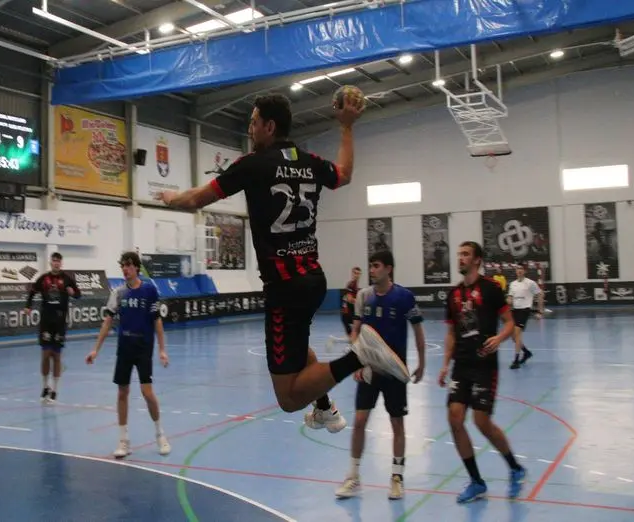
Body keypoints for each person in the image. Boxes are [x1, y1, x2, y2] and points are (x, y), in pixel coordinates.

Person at [156, 91, 410, 426]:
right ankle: (324, 408)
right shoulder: (310, 162)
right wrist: (346, 126)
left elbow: (197, 199)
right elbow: (345, 173)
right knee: (299, 349)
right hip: (312, 280)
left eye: (253, 122)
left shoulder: (251, 165)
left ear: (269, 126)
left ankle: (358, 357)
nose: (250, 129)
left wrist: (172, 197)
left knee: (288, 398)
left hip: (284, 287)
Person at [439, 241, 526, 503]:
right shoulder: (453, 294)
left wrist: (499, 339)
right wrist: (445, 364)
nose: (461, 258)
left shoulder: (491, 289)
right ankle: (477, 482)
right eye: (459, 254)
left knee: (481, 421)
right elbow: (452, 332)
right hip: (461, 365)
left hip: (485, 366)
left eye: (465, 254)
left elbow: (510, 322)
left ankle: (514, 468)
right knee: (454, 419)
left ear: (477, 260)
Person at [335, 251, 425, 500]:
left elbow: (418, 331)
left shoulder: (404, 297)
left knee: (397, 423)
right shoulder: (364, 296)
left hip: (395, 372)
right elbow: (355, 332)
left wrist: (422, 363)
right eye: (370, 266)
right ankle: (353, 476)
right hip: (369, 371)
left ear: (389, 269)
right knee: (360, 422)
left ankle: (397, 477)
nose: (371, 270)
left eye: (375, 266)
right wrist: (357, 363)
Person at [85, 252, 171, 458]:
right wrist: (96, 349)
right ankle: (124, 441)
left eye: (129, 265)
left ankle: (160, 434)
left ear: (137, 268)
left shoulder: (149, 290)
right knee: (122, 392)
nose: (125, 269)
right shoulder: (118, 293)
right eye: (123, 265)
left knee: (147, 392)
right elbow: (107, 322)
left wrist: (162, 349)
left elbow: (157, 320)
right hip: (124, 348)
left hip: (143, 347)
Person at [25, 252, 81, 403]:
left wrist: (73, 293)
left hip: (60, 321)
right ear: (50, 263)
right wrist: (28, 306)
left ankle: (55, 389)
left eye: (58, 261)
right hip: (46, 321)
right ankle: (45, 386)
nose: (56, 263)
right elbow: (32, 291)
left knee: (56, 356)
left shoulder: (67, 279)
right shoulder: (44, 279)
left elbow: (78, 294)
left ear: (61, 263)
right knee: (45, 354)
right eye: (54, 261)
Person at [506, 264, 541, 369]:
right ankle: (526, 352)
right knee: (513, 337)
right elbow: (510, 297)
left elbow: (540, 294)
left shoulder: (530, 283)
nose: (519, 270)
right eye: (517, 269)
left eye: (521, 269)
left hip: (524, 310)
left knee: (517, 334)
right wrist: (508, 301)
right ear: (516, 271)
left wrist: (540, 311)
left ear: (524, 271)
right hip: (514, 311)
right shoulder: (512, 284)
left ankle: (516, 360)